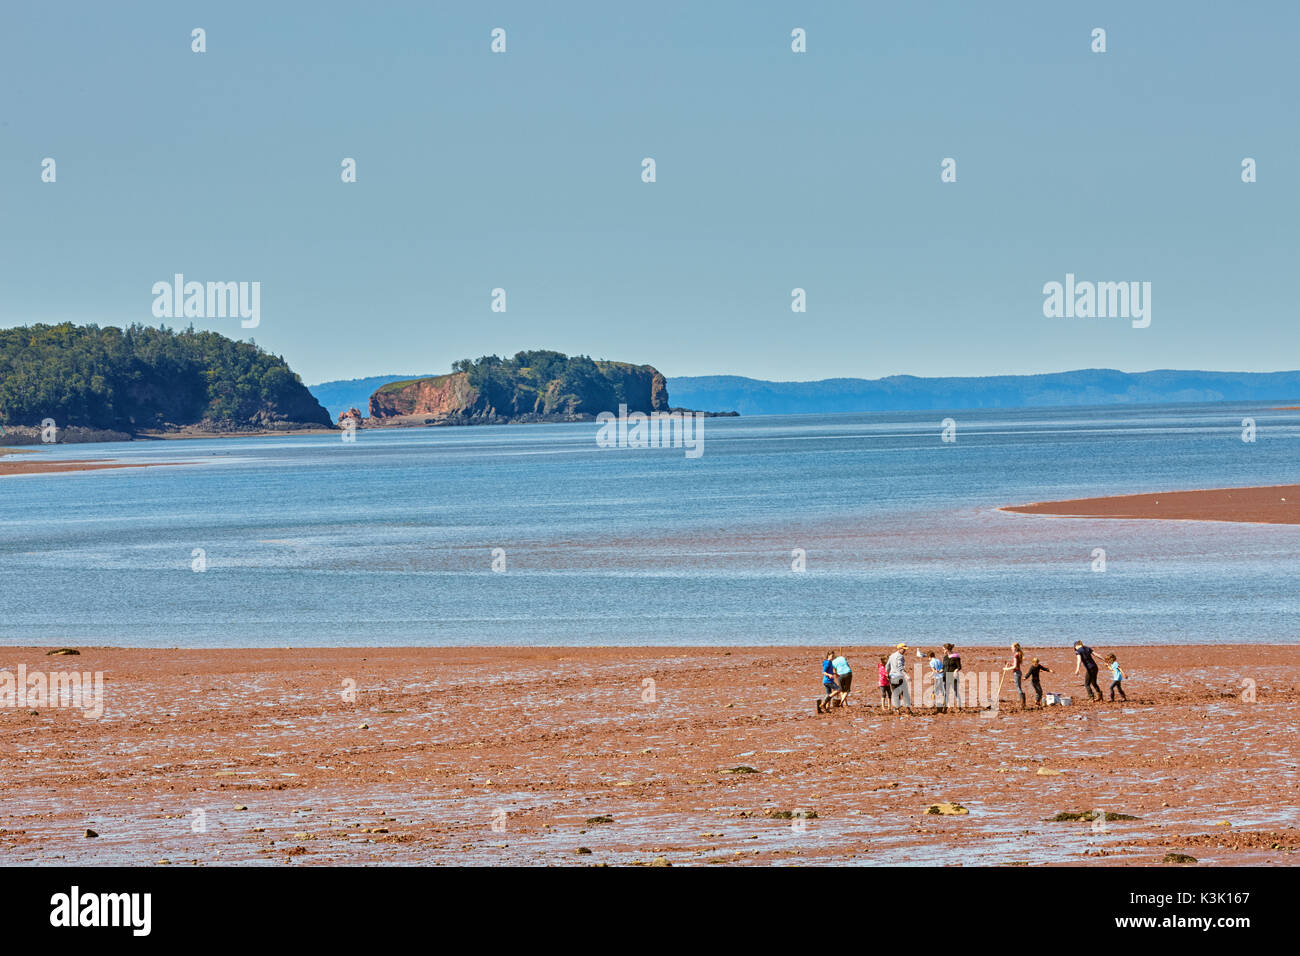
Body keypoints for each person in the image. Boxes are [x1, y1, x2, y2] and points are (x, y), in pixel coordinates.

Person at [886, 643, 912, 713]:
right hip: (899, 677)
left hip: (892, 677)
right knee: (905, 693)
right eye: (903, 649)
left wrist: (887, 674)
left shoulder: (891, 656)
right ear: (899, 649)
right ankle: (908, 709)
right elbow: (900, 667)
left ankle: (897, 709)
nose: (904, 651)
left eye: (905, 650)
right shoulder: (900, 657)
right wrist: (906, 675)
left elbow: (887, 666)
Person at [1002, 642, 1026, 710]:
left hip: (1017, 673)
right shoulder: (1018, 654)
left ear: (1015, 648)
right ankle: (1023, 704)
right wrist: (1009, 664)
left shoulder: (1016, 655)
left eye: (1012, 647)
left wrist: (1006, 669)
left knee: (1018, 688)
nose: (1011, 649)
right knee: (1019, 688)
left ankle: (1023, 704)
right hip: (1018, 672)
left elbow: (1015, 666)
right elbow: (1015, 665)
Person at [942, 643, 962, 710]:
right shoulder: (945, 657)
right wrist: (938, 671)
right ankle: (947, 706)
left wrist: (956, 671)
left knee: (956, 691)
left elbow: (959, 667)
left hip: (952, 676)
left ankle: (959, 706)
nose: (943, 650)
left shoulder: (956, 656)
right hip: (945, 676)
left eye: (944, 649)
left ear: (947, 649)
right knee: (946, 692)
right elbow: (943, 667)